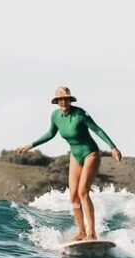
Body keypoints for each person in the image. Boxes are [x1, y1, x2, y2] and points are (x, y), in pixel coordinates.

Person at [16, 86, 122, 241]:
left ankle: (92, 233)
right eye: (61, 99)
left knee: (83, 192)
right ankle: (81, 232)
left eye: (66, 99)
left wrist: (113, 147)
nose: (64, 102)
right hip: (75, 156)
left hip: (90, 154)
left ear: (70, 100)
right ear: (57, 102)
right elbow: (50, 134)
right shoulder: (55, 116)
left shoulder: (80, 114)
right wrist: (31, 145)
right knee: (73, 196)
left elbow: (97, 129)